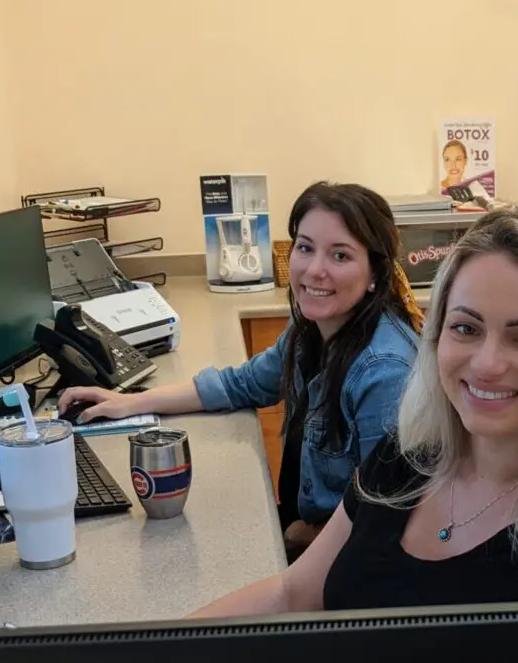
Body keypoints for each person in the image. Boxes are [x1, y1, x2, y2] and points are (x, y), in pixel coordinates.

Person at [189, 204, 518, 619]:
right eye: (466, 329)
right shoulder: (406, 457)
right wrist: (135, 655)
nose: (487, 363)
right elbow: (294, 592)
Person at [59, 182, 424, 559]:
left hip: (347, 560)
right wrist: (129, 402)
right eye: (305, 247)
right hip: (311, 535)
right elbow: (241, 385)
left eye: (340, 256)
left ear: (376, 273)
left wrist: (299, 536)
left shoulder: (385, 372)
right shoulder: (311, 333)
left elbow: (386, 522)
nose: (315, 270)